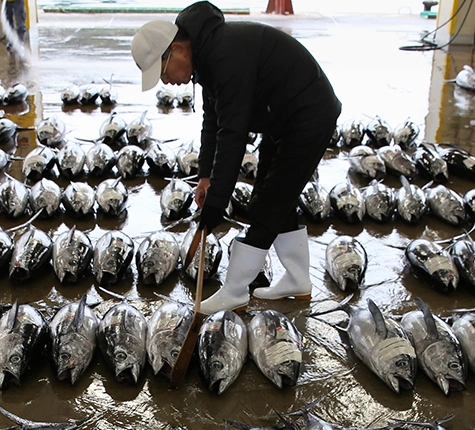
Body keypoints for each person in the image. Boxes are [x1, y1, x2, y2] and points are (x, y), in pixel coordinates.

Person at [131, 1, 341, 315]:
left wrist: (217, 201)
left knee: (269, 204)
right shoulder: (207, 57)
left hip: (308, 115)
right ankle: (298, 280)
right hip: (283, 119)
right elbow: (212, 121)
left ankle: (235, 290)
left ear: (176, 50)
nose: (165, 81)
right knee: (274, 198)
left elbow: (233, 133)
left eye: (162, 71)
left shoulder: (224, 55)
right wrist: (206, 176)